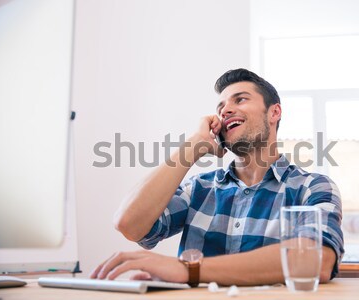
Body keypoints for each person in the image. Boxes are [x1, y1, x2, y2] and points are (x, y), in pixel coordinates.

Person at [90, 68, 344, 286]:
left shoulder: (311, 187)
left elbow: (315, 260)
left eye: (240, 100)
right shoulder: (199, 188)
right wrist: (192, 147)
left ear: (274, 112)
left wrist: (189, 271)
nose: (226, 111)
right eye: (220, 107)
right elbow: (129, 224)